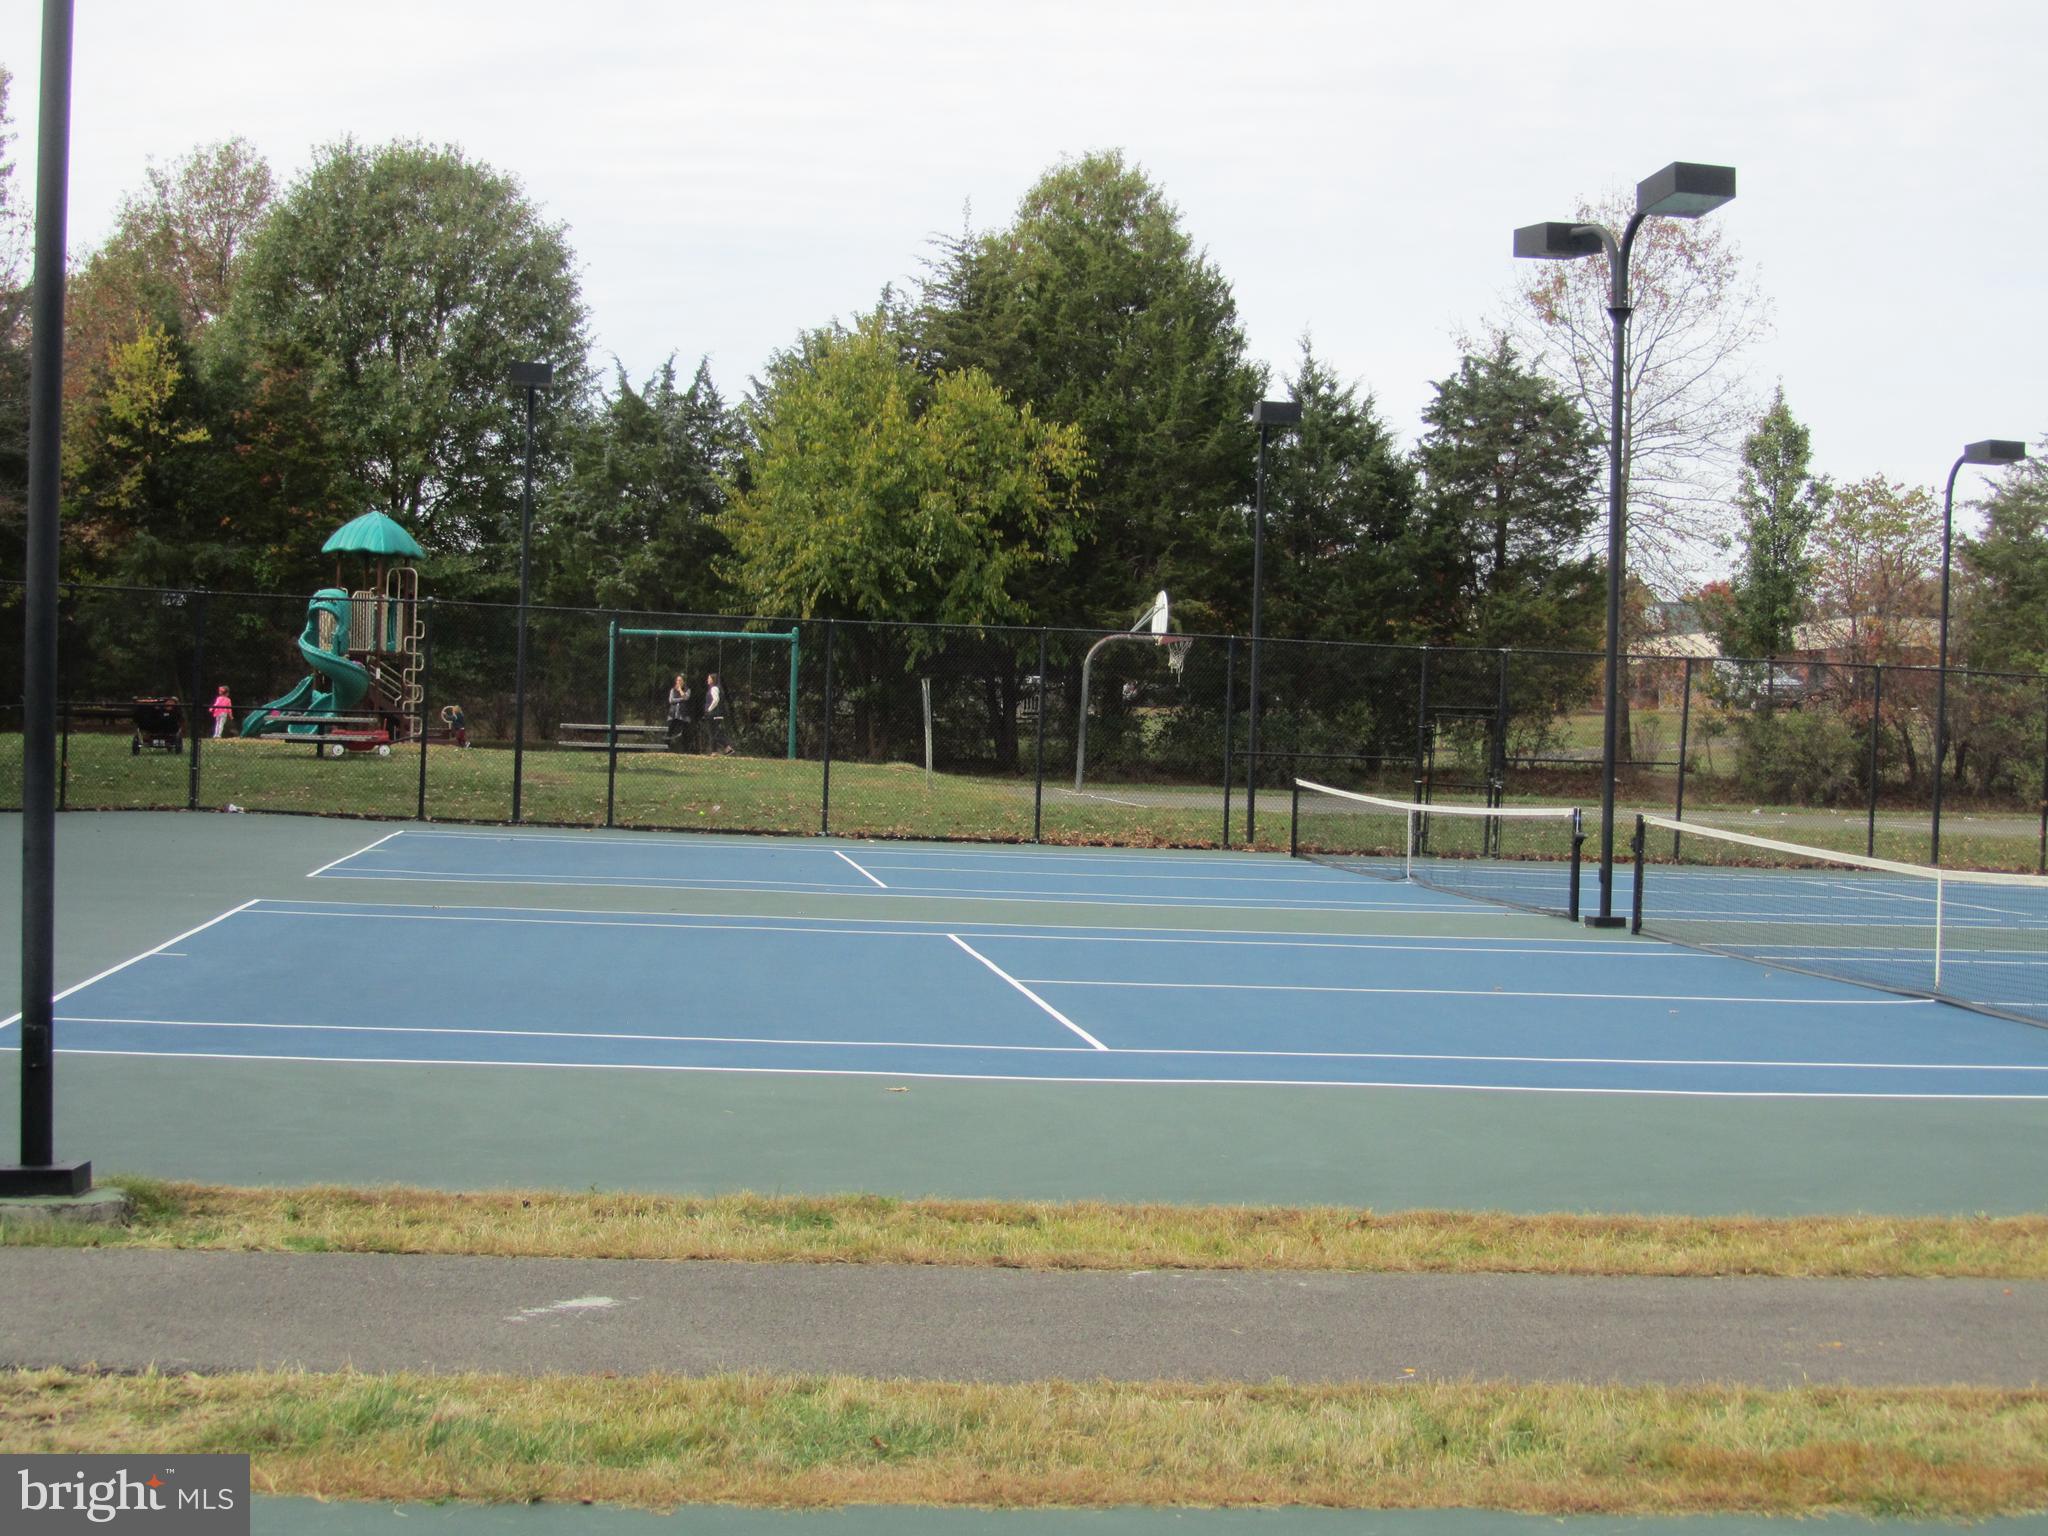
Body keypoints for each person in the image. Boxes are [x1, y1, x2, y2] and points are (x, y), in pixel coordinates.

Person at [703, 671, 734, 755]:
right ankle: (714, 752)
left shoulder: (714, 688)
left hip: (714, 714)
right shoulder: (713, 688)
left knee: (715, 733)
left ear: (713, 680)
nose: (707, 680)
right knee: (713, 733)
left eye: (709, 678)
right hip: (714, 713)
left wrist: (709, 709)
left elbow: (716, 700)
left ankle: (727, 747)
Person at [666, 673, 695, 752]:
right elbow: (671, 700)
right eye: (677, 680)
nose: (678, 682)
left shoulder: (687, 690)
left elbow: (686, 697)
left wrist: (680, 690)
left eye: (680, 680)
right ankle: (666, 749)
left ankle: (685, 750)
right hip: (673, 714)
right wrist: (681, 699)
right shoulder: (672, 690)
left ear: (683, 682)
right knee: (669, 731)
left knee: (684, 733)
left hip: (683, 715)